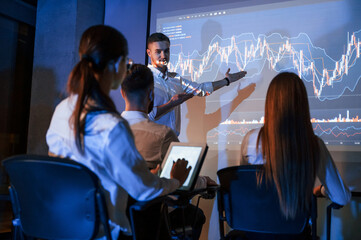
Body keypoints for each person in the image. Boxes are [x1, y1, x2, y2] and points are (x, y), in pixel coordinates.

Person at [46, 25, 191, 240]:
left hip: (63, 225)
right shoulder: (112, 126)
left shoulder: (62, 110)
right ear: (116, 65)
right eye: (126, 62)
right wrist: (175, 181)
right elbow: (144, 191)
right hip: (103, 230)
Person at [120, 64, 217, 239]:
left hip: (116, 221)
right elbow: (183, 179)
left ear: (122, 93)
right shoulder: (162, 135)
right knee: (196, 215)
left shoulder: (105, 133)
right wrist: (204, 182)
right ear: (151, 94)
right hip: (151, 221)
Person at [240, 72, 351, 222]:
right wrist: (322, 190)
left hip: (253, 231)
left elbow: (244, 187)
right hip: (295, 232)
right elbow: (341, 197)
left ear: (270, 103)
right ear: (302, 104)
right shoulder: (313, 144)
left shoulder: (250, 140)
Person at [147, 32, 247, 136]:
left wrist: (227, 81)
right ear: (149, 53)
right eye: (158, 52)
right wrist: (172, 104)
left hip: (172, 141)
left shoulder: (175, 79)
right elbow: (146, 115)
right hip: (152, 142)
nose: (163, 56)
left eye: (166, 51)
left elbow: (201, 89)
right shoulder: (144, 78)